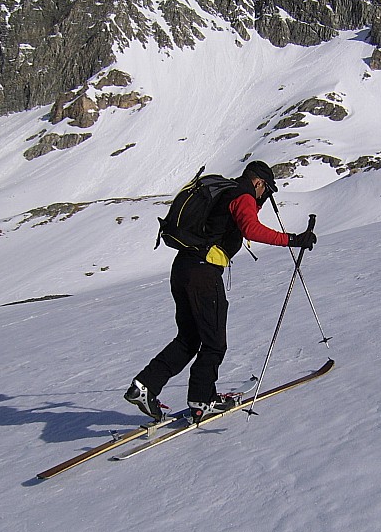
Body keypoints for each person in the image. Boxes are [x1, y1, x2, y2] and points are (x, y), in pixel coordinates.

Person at [124, 160, 317, 424]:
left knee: (189, 339)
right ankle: (203, 399)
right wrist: (293, 240)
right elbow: (252, 229)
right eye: (266, 190)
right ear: (258, 182)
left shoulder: (227, 192)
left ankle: (144, 386)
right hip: (203, 273)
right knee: (214, 342)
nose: (264, 197)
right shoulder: (242, 194)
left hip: (184, 268)